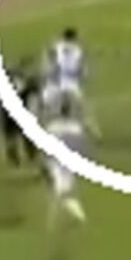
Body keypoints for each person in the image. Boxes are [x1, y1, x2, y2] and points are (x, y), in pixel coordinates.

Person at [44, 96, 88, 227]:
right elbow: (79, 145)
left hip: (56, 163)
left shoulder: (52, 127)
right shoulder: (76, 127)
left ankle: (79, 217)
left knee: (61, 193)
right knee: (62, 191)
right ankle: (78, 216)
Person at [1, 57, 44, 168]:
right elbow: (33, 90)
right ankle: (28, 155)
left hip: (9, 112)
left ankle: (16, 155)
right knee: (24, 135)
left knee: (12, 135)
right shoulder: (24, 83)